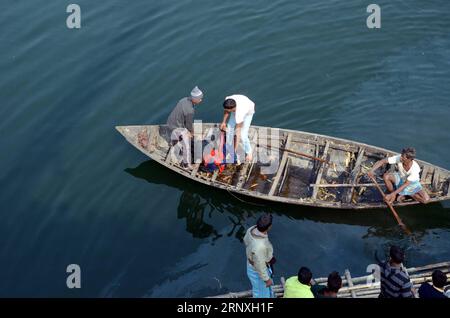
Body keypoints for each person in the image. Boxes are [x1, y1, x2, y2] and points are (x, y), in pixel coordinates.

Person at [166, 86, 203, 169]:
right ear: (194, 99)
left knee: (177, 134)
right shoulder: (190, 110)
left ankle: (173, 143)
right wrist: (190, 132)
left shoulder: (184, 99)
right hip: (177, 128)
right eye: (199, 99)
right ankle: (186, 165)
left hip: (170, 123)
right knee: (187, 147)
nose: (201, 100)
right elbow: (188, 124)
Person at [243, 214, 275, 298]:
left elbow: (245, 240)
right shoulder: (260, 247)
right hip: (258, 271)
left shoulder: (251, 229)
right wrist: (266, 280)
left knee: (261, 289)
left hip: (252, 262)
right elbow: (260, 266)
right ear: (269, 227)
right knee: (261, 293)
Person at [219, 94, 255, 163]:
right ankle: (229, 147)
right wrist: (223, 122)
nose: (227, 111)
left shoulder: (240, 113)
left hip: (248, 112)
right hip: (237, 107)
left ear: (233, 109)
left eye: (229, 111)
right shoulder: (228, 100)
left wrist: (234, 151)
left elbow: (238, 132)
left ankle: (249, 152)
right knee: (229, 128)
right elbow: (226, 111)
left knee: (243, 135)